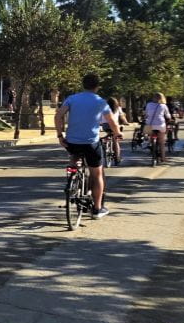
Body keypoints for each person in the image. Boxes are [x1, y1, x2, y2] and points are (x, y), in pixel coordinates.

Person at [55, 73, 122, 219]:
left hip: (72, 142)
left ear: (83, 84)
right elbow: (112, 121)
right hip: (91, 143)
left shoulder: (72, 99)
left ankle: (72, 180)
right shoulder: (101, 102)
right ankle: (97, 209)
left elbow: (58, 116)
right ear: (97, 86)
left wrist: (60, 135)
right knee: (97, 174)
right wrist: (117, 133)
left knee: (74, 158)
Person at [144, 92, 174, 162]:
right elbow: (168, 115)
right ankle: (163, 158)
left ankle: (151, 144)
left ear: (153, 97)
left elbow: (146, 114)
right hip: (160, 125)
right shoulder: (163, 105)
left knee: (151, 135)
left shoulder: (149, 104)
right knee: (161, 142)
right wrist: (170, 119)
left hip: (150, 124)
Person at [103, 97, 129, 164]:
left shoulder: (104, 108)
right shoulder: (118, 108)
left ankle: (106, 144)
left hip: (105, 126)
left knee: (109, 133)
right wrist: (126, 122)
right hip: (115, 125)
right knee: (116, 141)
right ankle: (117, 158)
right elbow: (122, 116)